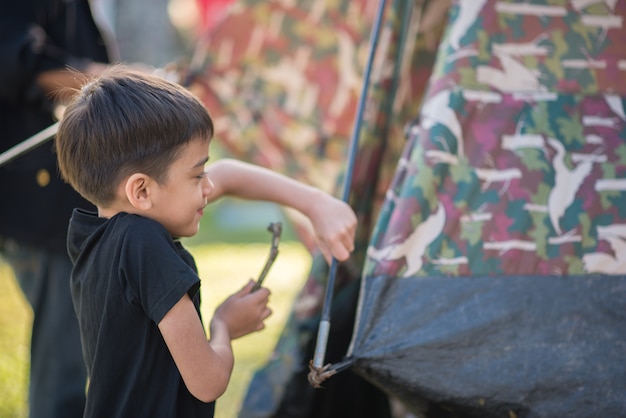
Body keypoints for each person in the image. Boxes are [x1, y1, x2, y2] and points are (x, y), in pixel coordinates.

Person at [53, 65, 357, 417]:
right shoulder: (142, 241)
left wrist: (314, 202)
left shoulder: (97, 234)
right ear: (141, 190)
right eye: (197, 175)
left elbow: (226, 177)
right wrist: (224, 325)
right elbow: (208, 381)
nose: (208, 187)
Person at [0, 1, 115, 416]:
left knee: (77, 361)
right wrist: (119, 82)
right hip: (40, 204)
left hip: (65, 204)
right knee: (63, 375)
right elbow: (16, 61)